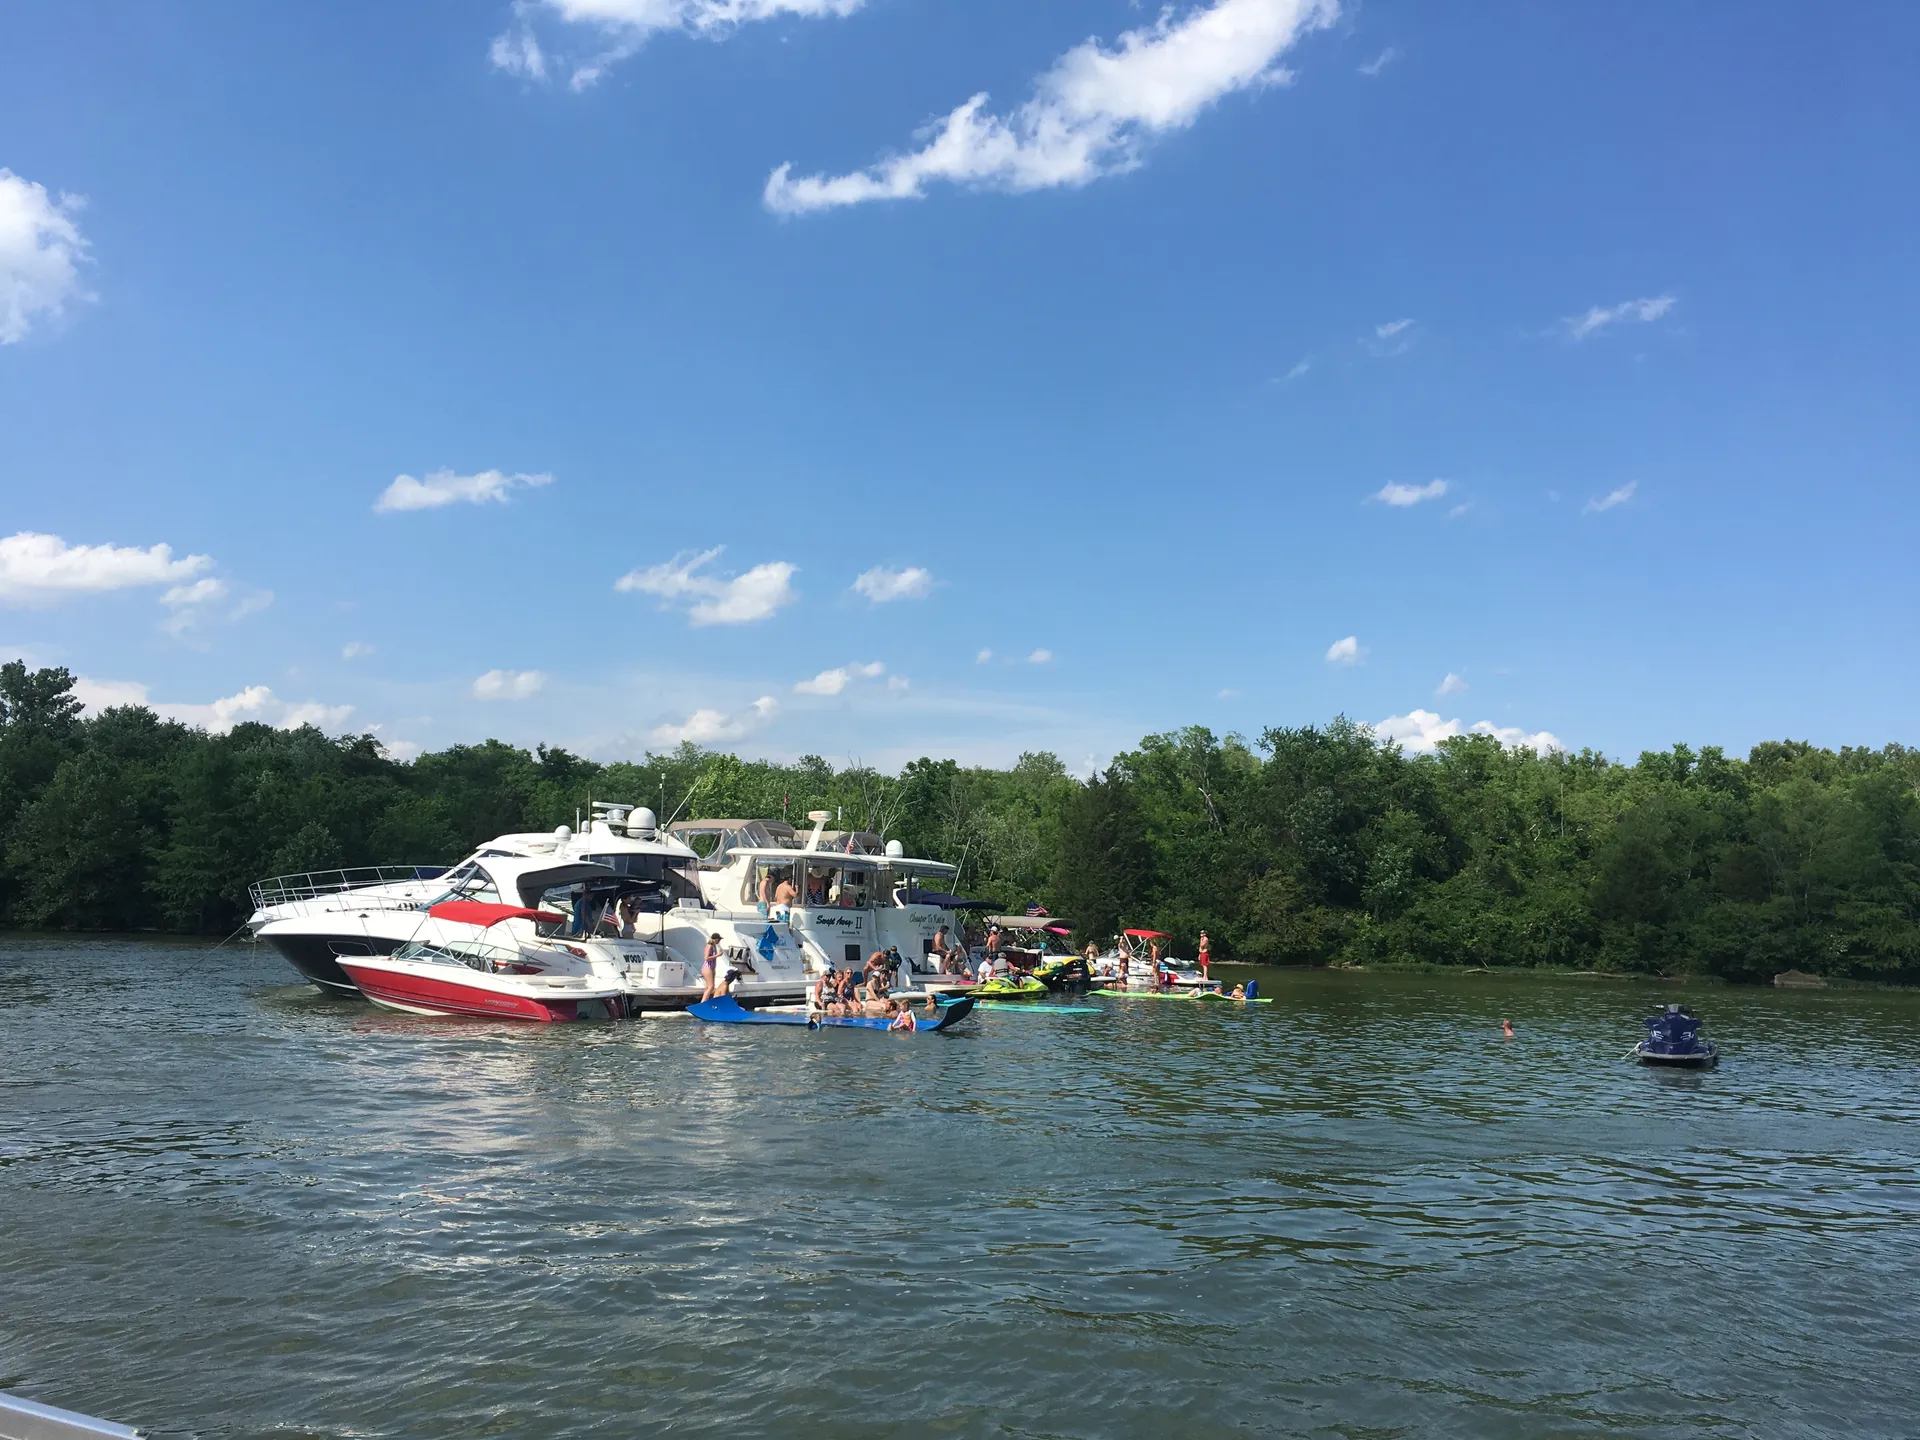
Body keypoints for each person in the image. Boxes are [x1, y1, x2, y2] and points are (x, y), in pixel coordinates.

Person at [700, 933, 722, 1001]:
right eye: (719, 940)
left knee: (708, 986)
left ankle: (705, 1001)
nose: (719, 941)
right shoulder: (709, 946)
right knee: (711, 986)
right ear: (716, 939)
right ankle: (702, 1003)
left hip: (712, 968)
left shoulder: (714, 946)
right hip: (707, 967)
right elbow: (706, 958)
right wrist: (717, 955)